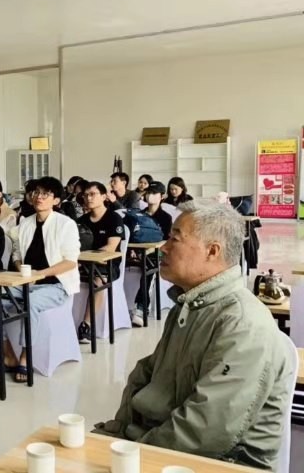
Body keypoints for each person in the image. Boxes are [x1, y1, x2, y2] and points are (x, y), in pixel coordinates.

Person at [95, 202, 293, 470]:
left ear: (212, 251)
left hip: (218, 463)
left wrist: (134, 454)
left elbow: (205, 431)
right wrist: (117, 434)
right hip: (158, 445)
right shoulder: (191, 305)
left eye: (175, 239)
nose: (164, 247)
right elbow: (146, 375)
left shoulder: (242, 324)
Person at [0, 177, 81, 382]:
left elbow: (71, 262)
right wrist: (22, 268)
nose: (39, 197)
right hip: (26, 283)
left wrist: (41, 274)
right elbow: (17, 254)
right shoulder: (26, 223)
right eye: (37, 192)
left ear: (56, 200)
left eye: (45, 194)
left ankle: (25, 356)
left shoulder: (66, 224)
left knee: (31, 302)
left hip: (56, 285)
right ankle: (8, 354)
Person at [77, 181, 125, 343]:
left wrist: (86, 257)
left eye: (93, 194)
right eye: (86, 195)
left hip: (107, 265)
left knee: (98, 281)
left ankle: (86, 325)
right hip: (82, 264)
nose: (88, 198)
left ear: (104, 196)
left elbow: (111, 247)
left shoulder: (114, 218)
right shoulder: (81, 220)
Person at [130, 181, 172, 327]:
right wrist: (133, 250)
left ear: (162, 196)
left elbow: (166, 241)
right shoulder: (138, 215)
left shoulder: (165, 217)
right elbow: (131, 237)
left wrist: (151, 251)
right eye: (148, 192)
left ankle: (141, 308)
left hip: (158, 254)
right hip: (136, 252)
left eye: (154, 193)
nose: (150, 196)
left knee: (148, 266)